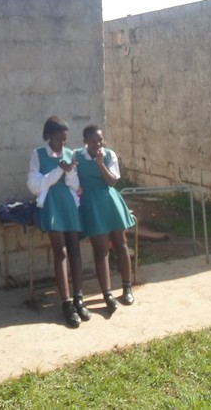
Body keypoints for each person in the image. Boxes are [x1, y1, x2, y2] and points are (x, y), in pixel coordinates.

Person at [27, 116, 90, 328]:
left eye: (65, 139)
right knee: (60, 251)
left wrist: (70, 171)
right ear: (48, 136)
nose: (62, 143)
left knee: (74, 249)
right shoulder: (37, 155)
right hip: (51, 205)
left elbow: (74, 186)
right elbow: (35, 185)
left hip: (68, 204)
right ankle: (66, 303)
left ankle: (79, 298)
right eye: (58, 139)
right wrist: (59, 170)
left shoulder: (70, 154)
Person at [75, 124, 136, 312]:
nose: (97, 144)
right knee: (101, 250)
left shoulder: (109, 155)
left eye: (100, 140)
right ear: (85, 142)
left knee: (121, 244)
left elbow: (111, 181)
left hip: (110, 201)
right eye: (93, 141)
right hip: (91, 205)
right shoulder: (76, 156)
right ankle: (107, 294)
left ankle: (127, 287)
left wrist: (100, 163)